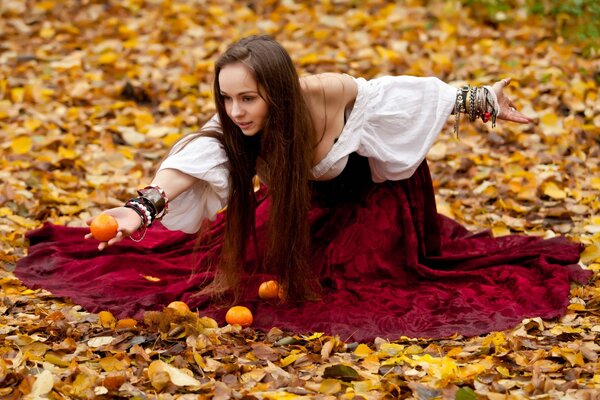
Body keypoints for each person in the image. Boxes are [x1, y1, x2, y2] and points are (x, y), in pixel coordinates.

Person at [16, 35, 591, 341]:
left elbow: (407, 94)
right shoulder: (236, 127)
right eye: (228, 97)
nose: (236, 110)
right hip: (310, 204)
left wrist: (481, 100)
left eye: (249, 98)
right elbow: (198, 155)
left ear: (281, 91)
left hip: (378, 200)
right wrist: (145, 207)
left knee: (369, 283)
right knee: (232, 263)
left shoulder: (326, 93)